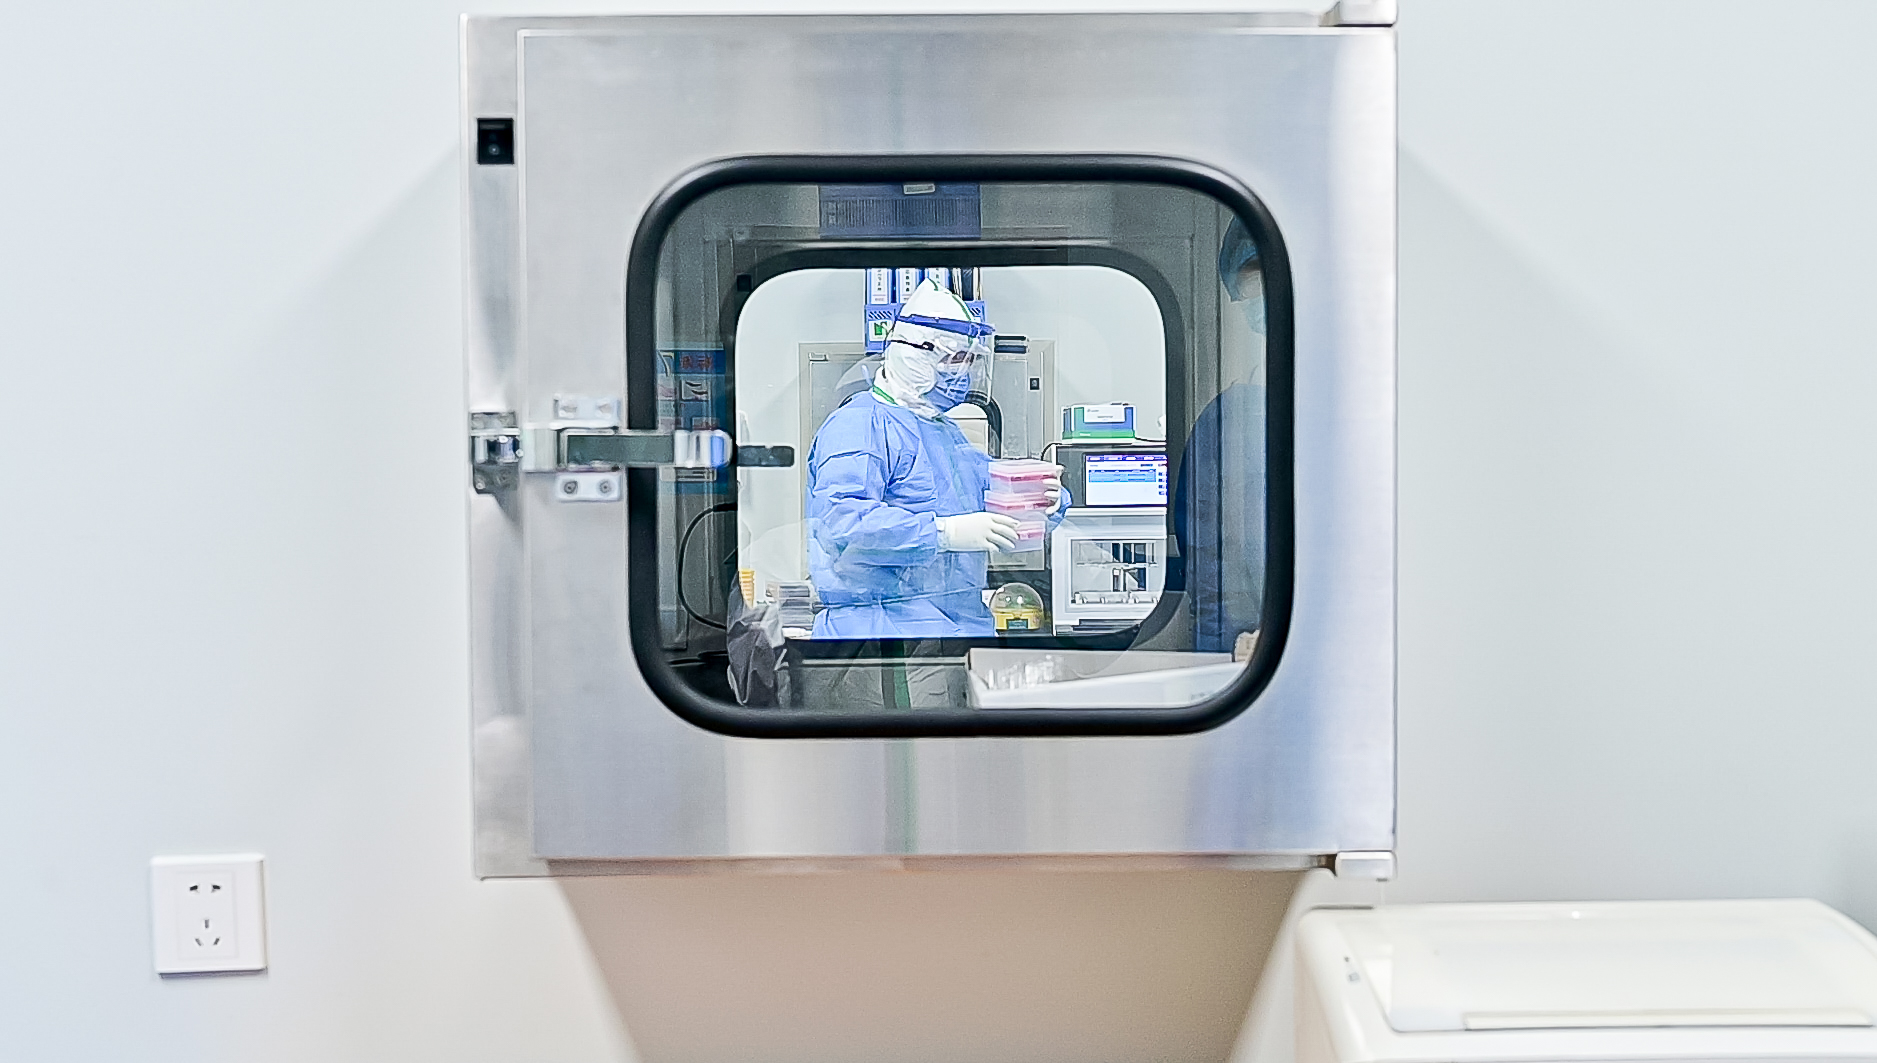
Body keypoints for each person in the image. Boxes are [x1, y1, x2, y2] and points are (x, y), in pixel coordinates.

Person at [806, 279, 1065, 639]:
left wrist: (1040, 498)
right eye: (954, 360)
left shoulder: (942, 431)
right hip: (882, 637)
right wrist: (944, 533)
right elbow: (843, 522)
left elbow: (987, 484)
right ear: (915, 355)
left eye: (970, 361)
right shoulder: (859, 425)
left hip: (956, 630)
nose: (963, 375)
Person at [1171, 217, 1268, 653]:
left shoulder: (1343, 414)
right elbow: (1209, 573)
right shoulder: (1224, 424)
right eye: (1250, 296)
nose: (1260, 303)